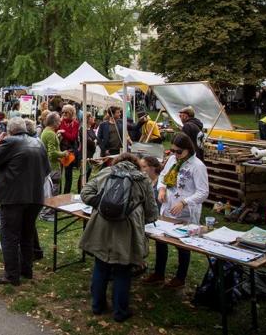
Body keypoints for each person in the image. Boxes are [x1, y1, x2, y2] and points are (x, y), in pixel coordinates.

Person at [79, 153, 158, 322]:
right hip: (127, 231)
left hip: (102, 226)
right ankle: (120, 312)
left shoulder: (106, 172)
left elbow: (85, 193)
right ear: (136, 165)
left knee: (100, 266)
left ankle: (97, 306)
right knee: (123, 271)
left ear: (118, 162)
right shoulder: (142, 180)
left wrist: (103, 205)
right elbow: (152, 212)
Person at [0, 117, 49, 286]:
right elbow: (47, 169)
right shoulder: (38, 143)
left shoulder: (10, 141)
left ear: (11, 130)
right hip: (35, 196)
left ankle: (12, 275)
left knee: (9, 236)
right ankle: (26, 270)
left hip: (14, 197)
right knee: (26, 234)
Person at [145, 132, 209, 288]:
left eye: (178, 151)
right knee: (160, 239)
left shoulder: (198, 166)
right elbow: (163, 176)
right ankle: (159, 273)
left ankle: (180, 277)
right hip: (168, 206)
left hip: (185, 211)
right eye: (172, 150)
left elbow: (203, 192)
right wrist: (161, 189)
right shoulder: (173, 160)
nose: (175, 154)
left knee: (182, 244)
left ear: (188, 149)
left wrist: (185, 202)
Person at [58, 105, 80, 194]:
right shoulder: (60, 122)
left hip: (69, 151)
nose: (64, 114)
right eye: (63, 112)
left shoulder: (75, 123)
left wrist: (63, 132)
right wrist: (64, 132)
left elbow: (72, 137)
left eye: (66, 112)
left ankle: (66, 194)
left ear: (71, 113)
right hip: (59, 150)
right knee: (58, 174)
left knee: (68, 174)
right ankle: (58, 193)